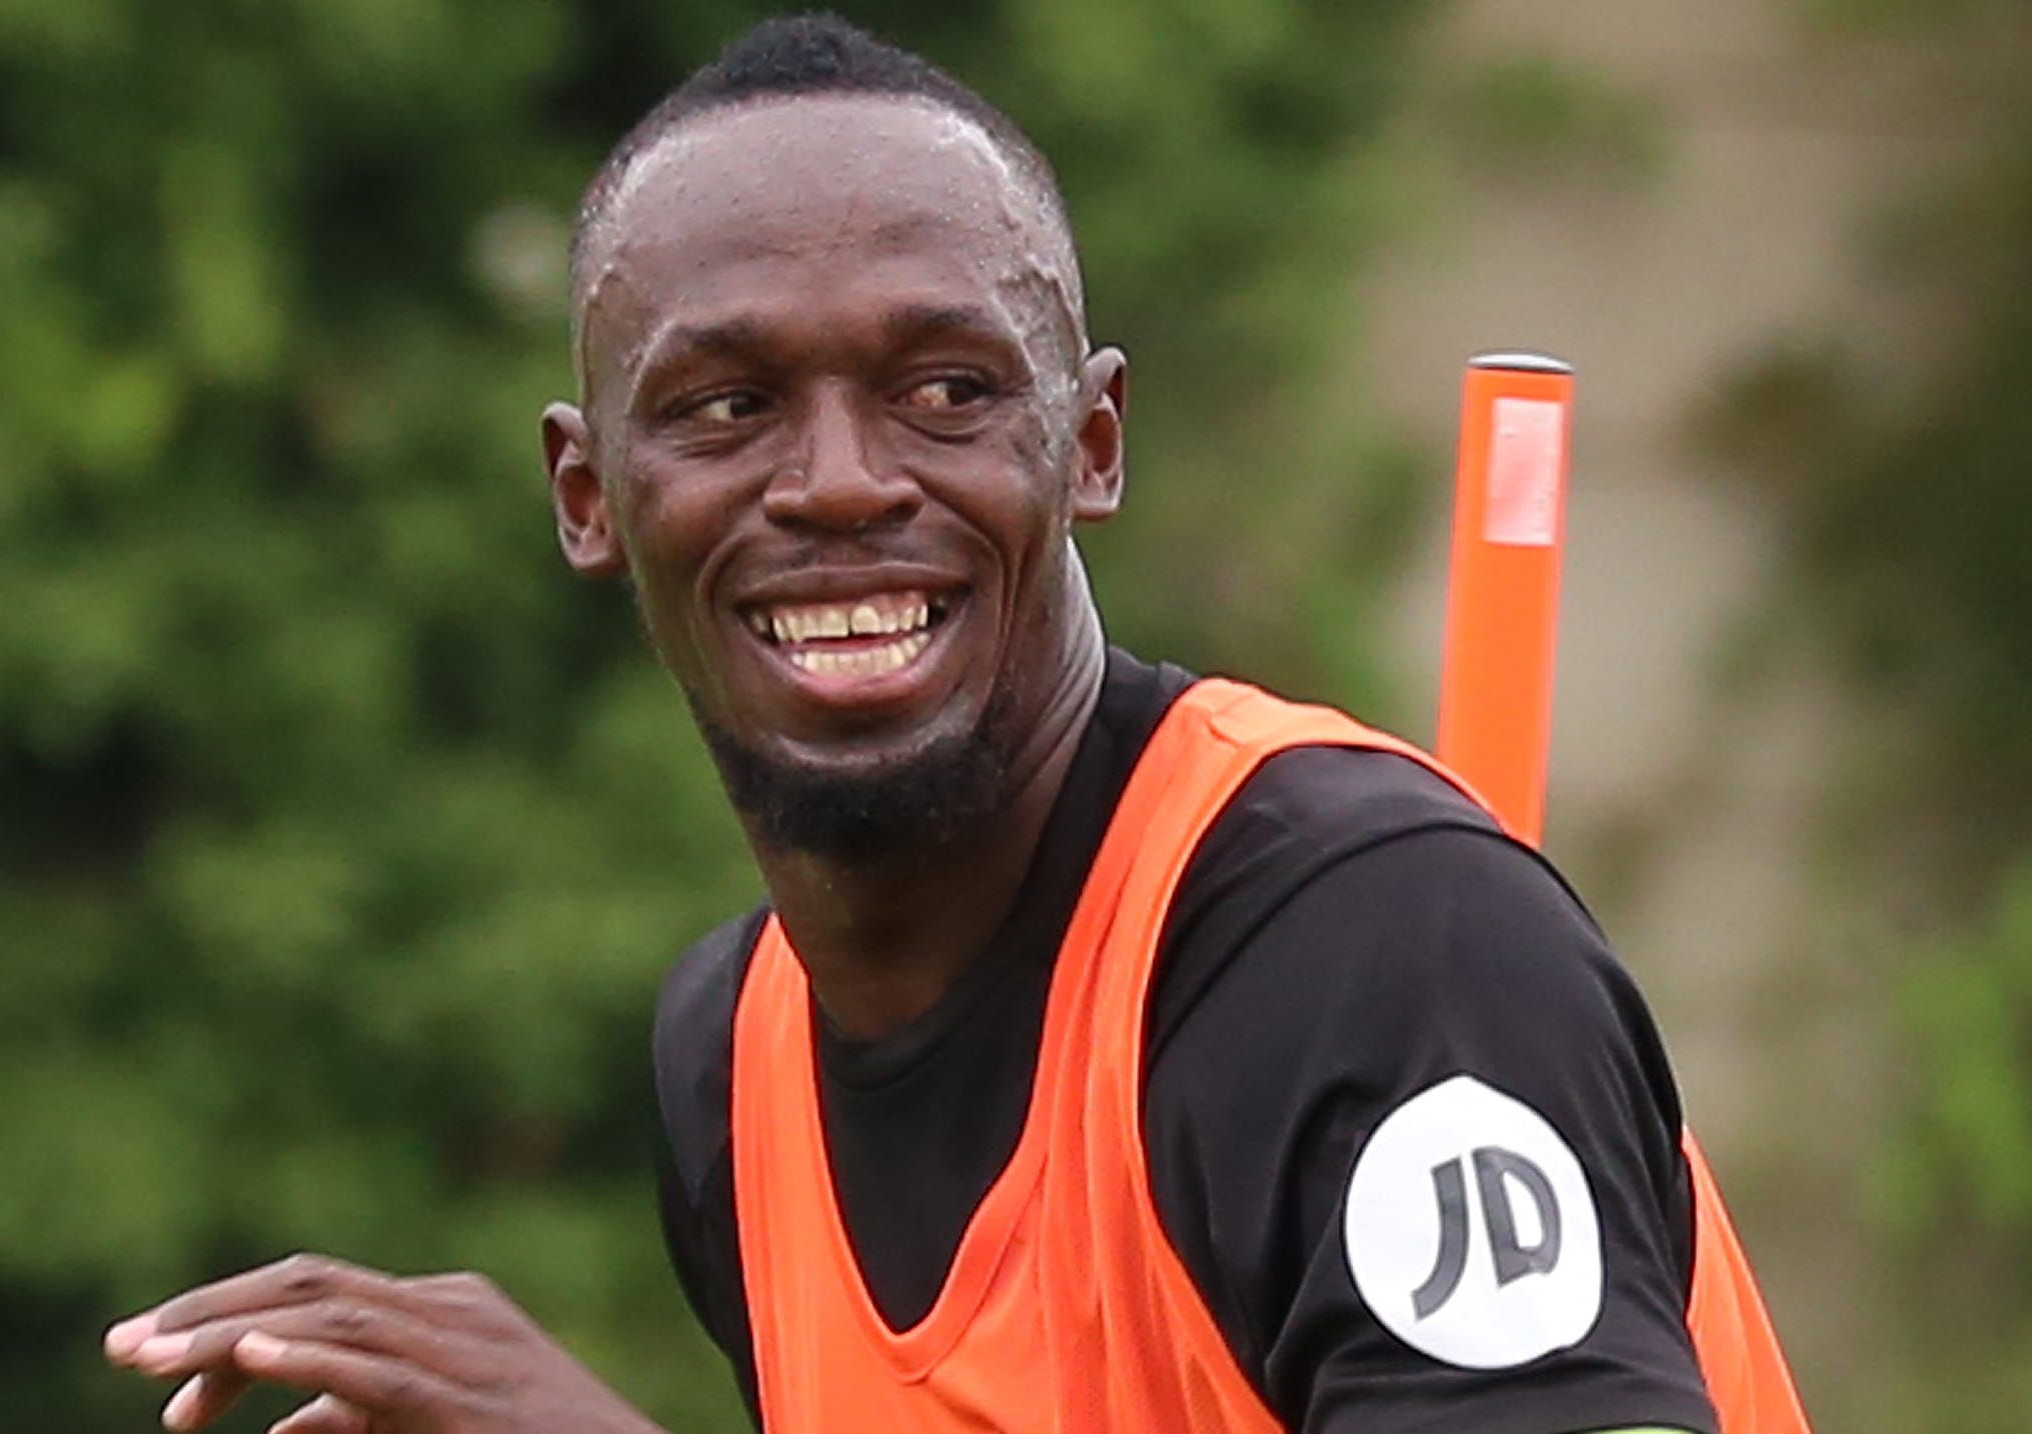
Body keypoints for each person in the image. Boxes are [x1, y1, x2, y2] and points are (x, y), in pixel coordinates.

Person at [105, 15, 1810, 1434]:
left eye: (947, 390)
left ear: (1089, 439)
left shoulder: (1375, 954)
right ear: (589, 492)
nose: (840, 482)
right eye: (726, 405)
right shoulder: (735, 1059)